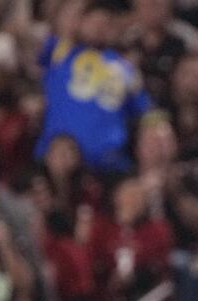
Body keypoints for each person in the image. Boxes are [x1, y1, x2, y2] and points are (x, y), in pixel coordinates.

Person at [35, 0, 151, 173]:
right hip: (54, 158)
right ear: (81, 22)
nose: (99, 28)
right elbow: (63, 19)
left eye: (106, 24)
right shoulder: (62, 50)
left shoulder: (124, 67)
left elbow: (145, 111)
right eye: (94, 22)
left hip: (107, 165)